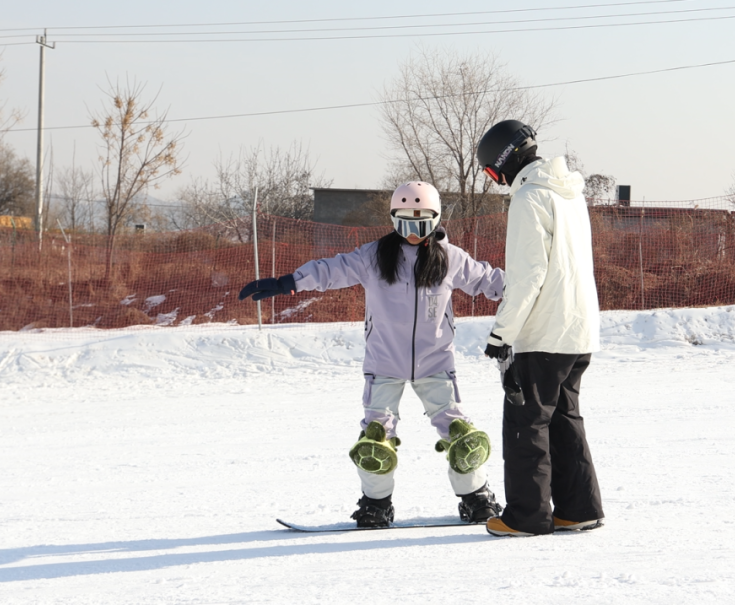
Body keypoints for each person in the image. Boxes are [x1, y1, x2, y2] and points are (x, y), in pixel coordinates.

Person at [238, 181, 505, 528]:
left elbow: (489, 280)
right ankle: (376, 505)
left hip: (436, 363)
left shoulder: (451, 258)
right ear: (393, 221)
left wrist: (529, 288)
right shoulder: (374, 256)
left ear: (436, 221)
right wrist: (290, 281)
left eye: (421, 223)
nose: (412, 233)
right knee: (375, 440)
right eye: (405, 223)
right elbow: (331, 270)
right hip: (384, 364)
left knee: (461, 435)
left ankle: (476, 498)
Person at [475, 119, 605, 537]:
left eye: (493, 175)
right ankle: (578, 508)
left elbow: (528, 276)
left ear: (503, 162)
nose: (497, 183)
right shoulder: (569, 195)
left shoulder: (529, 198)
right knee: (565, 420)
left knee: (525, 422)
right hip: (577, 330)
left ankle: (527, 517)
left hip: (543, 332)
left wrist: (501, 335)